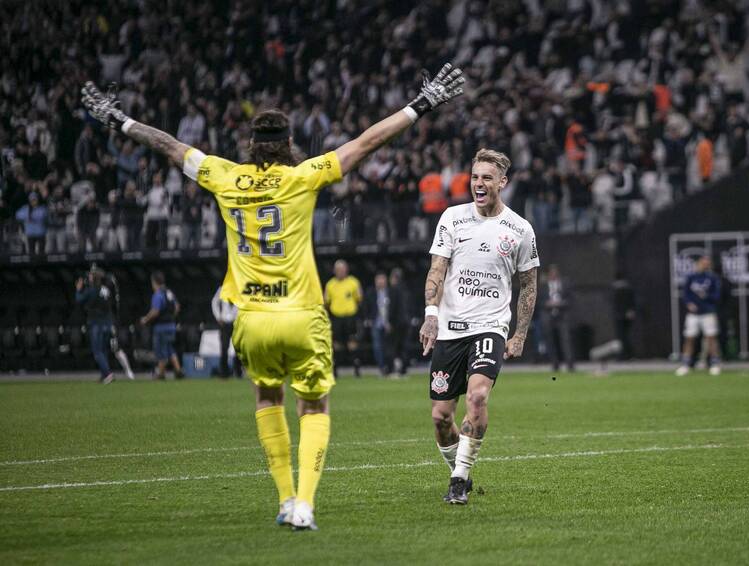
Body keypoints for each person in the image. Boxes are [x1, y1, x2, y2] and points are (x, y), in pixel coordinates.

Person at [82, 62, 464, 529]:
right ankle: (304, 503)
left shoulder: (223, 176)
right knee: (315, 407)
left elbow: (170, 145)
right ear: (288, 145)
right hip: (302, 313)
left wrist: (119, 120)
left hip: (252, 318)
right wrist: (421, 103)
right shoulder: (303, 176)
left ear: (250, 146)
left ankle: (284, 498)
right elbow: (366, 142)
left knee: (267, 399)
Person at [419, 148, 539, 505]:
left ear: (502, 182)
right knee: (441, 417)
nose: (479, 184)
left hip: (490, 326)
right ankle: (461, 470)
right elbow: (437, 270)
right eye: (475, 177)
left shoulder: (520, 229)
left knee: (477, 396)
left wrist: (518, 334)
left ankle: (459, 480)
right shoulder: (452, 219)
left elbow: (529, 284)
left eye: (487, 177)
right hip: (450, 328)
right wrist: (430, 314)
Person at [676, 255, 722, 376]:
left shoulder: (712, 278)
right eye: (702, 263)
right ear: (698, 264)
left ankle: (714, 363)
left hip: (708, 312)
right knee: (689, 338)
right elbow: (685, 294)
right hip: (694, 314)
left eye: (707, 264)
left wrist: (706, 296)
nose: (704, 265)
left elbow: (717, 296)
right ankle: (685, 364)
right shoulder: (691, 278)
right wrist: (689, 303)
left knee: (711, 338)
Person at [139, 270, 184, 380]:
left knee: (161, 350)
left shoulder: (158, 294)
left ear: (154, 282)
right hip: (171, 326)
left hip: (161, 327)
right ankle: (178, 371)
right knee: (169, 349)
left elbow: (155, 311)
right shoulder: (169, 293)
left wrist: (145, 319)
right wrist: (170, 316)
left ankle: (161, 374)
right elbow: (177, 307)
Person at [75, 267, 115, 383]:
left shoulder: (91, 290)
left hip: (96, 324)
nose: (89, 277)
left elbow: (79, 300)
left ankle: (108, 374)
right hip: (107, 323)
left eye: (91, 275)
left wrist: (78, 289)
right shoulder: (106, 290)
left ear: (94, 278)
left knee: (97, 351)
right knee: (103, 350)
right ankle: (104, 374)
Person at [324, 259, 363, 377]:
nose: (340, 271)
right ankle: (335, 370)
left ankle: (356, 369)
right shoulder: (330, 284)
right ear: (334, 271)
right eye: (338, 269)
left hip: (350, 317)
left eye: (342, 269)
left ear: (346, 270)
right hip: (336, 317)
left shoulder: (353, 282)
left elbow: (359, 298)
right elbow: (326, 301)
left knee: (352, 343)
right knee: (336, 344)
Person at [538, 264, 575, 372]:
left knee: (566, 340)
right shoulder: (543, 286)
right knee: (550, 340)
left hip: (562, 315)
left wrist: (561, 303)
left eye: (555, 272)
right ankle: (555, 364)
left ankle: (570, 364)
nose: (554, 274)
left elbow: (571, 299)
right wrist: (547, 304)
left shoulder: (565, 284)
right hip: (548, 315)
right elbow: (538, 301)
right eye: (552, 272)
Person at [363, 272, 391, 375]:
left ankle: (389, 366)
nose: (380, 282)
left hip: (388, 324)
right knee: (377, 346)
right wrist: (368, 319)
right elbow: (365, 306)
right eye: (378, 279)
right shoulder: (371, 292)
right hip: (376, 323)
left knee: (388, 346)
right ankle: (382, 366)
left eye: (382, 279)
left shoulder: (390, 292)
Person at [211, 285, 242, 378]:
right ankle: (224, 372)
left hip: (236, 322)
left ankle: (238, 372)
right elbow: (214, 302)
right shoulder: (222, 289)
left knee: (238, 348)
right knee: (224, 348)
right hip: (224, 322)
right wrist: (218, 317)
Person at [388, 267, 412, 377]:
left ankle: (394, 369)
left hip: (397, 322)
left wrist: (389, 321)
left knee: (394, 346)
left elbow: (392, 307)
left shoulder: (394, 289)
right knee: (404, 346)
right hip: (407, 321)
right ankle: (403, 369)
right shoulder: (406, 288)